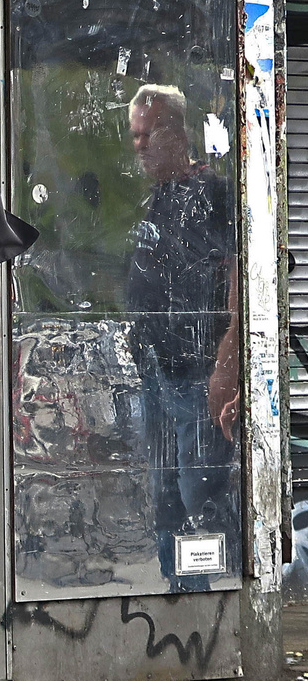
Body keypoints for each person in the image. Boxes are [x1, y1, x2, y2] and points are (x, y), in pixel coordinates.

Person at [125, 84, 236, 592]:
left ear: (180, 133)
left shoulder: (212, 192)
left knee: (201, 494)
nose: (140, 145)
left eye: (149, 133)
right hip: (157, 370)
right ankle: (178, 599)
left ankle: (208, 602)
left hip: (198, 373)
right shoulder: (160, 197)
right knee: (165, 497)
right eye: (134, 135)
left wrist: (226, 364)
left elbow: (241, 277)